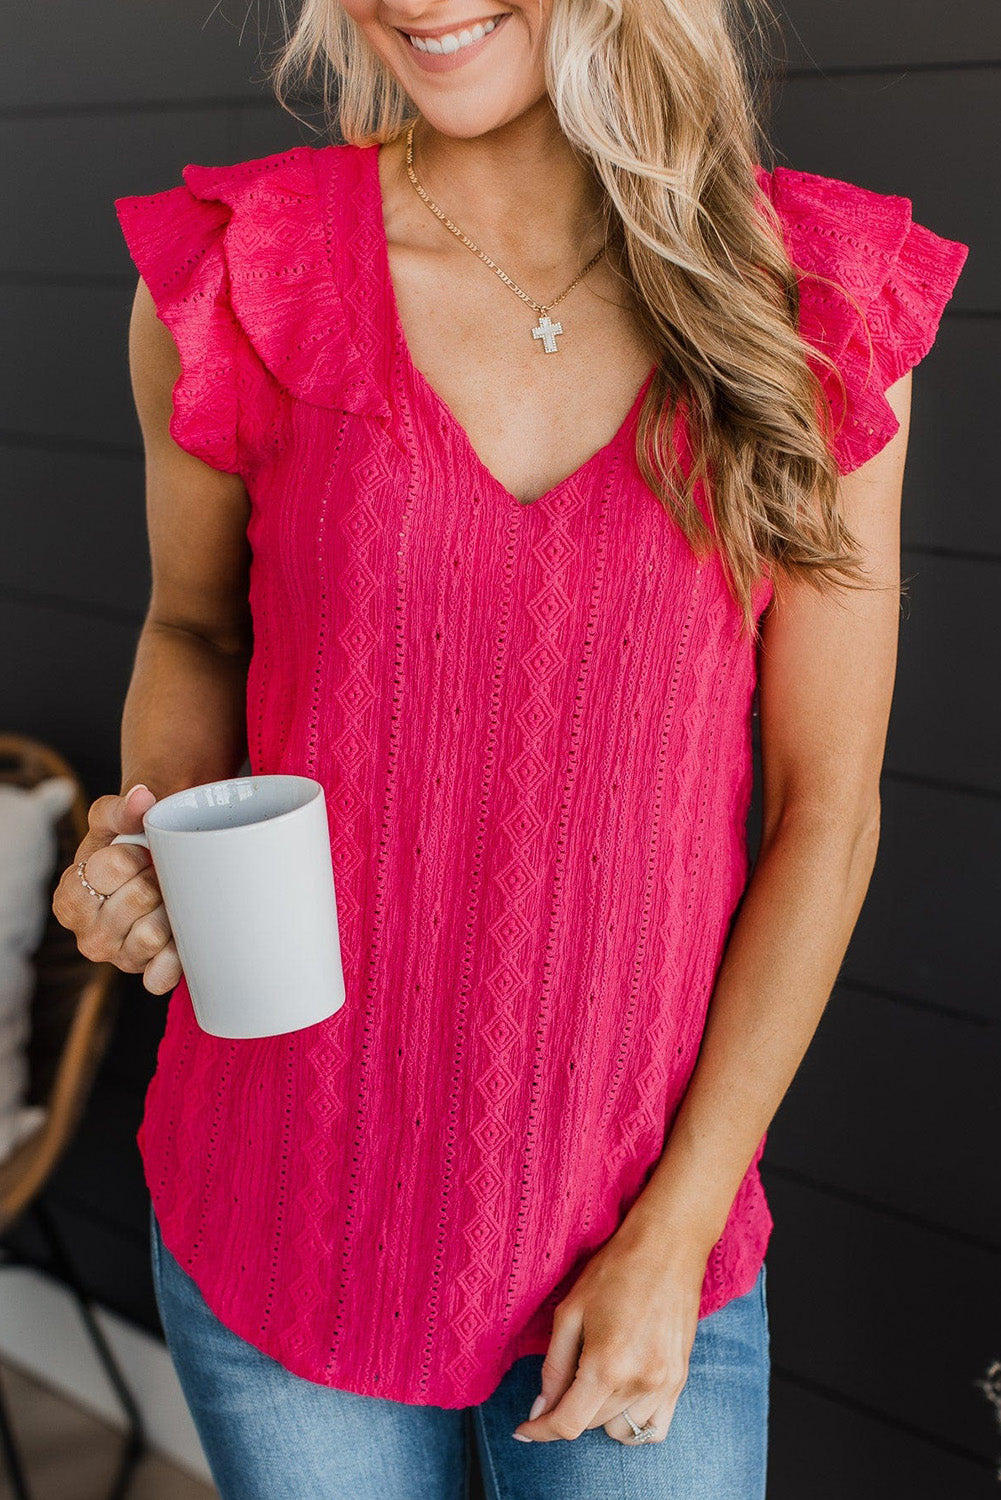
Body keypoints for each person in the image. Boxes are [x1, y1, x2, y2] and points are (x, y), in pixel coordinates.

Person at [52, 2, 969, 1496]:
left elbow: (828, 811)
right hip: (285, 1206)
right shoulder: (243, 268)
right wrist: (148, 829)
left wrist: (674, 1231)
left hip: (631, 1228)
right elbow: (196, 632)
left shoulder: (809, 299)